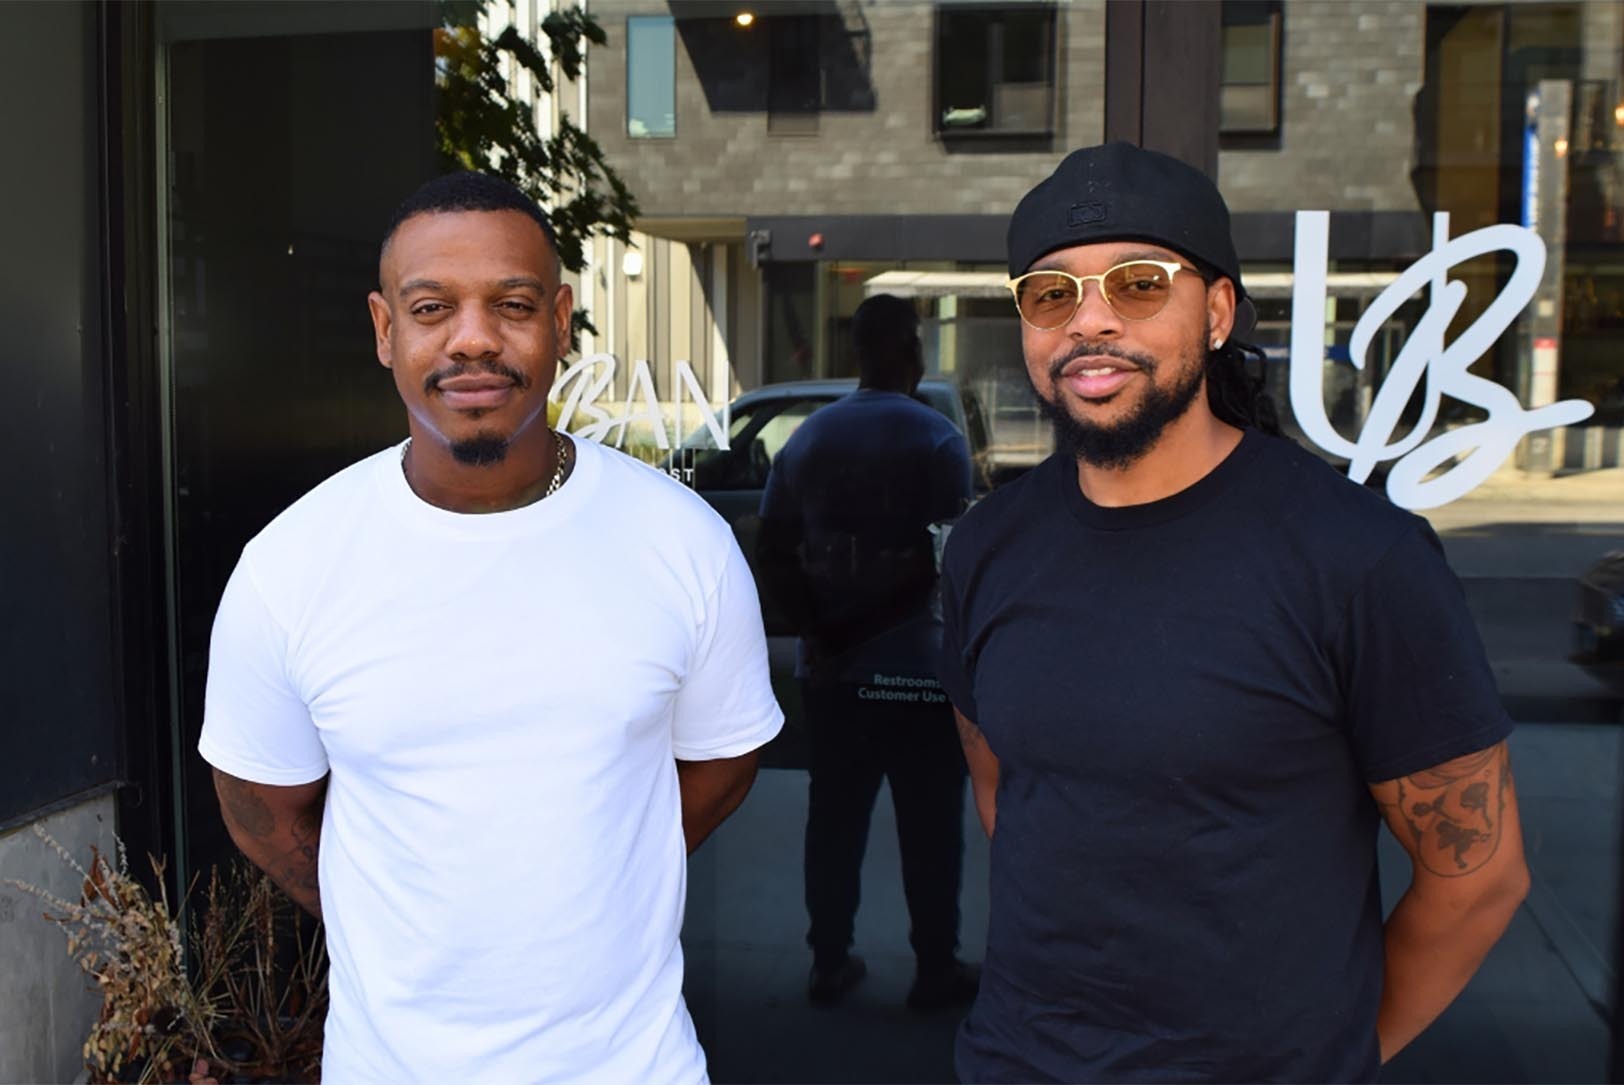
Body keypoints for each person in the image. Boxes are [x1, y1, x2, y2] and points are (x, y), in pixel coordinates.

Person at [937, 142, 1530, 1082]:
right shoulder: (987, 547)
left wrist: (1334, 1055)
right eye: (1051, 293)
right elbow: (1006, 795)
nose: (1090, 322)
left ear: (1215, 313)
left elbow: (1480, 876)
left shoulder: (1356, 557)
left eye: (1137, 285)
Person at [198, 172, 782, 1084]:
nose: (473, 338)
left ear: (560, 320)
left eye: (511, 304)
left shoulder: (683, 543)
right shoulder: (291, 567)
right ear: (385, 330)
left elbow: (721, 762)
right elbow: (259, 808)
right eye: (432, 307)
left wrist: (598, 874)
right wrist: (397, 909)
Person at [756, 294, 979, 1011]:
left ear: (856, 352)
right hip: (918, 670)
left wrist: (819, 628)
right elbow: (945, 559)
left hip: (834, 674)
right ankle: (935, 967)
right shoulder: (938, 441)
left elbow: (772, 550)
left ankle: (828, 960)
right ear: (910, 352)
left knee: (835, 820)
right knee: (930, 825)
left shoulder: (809, 440)